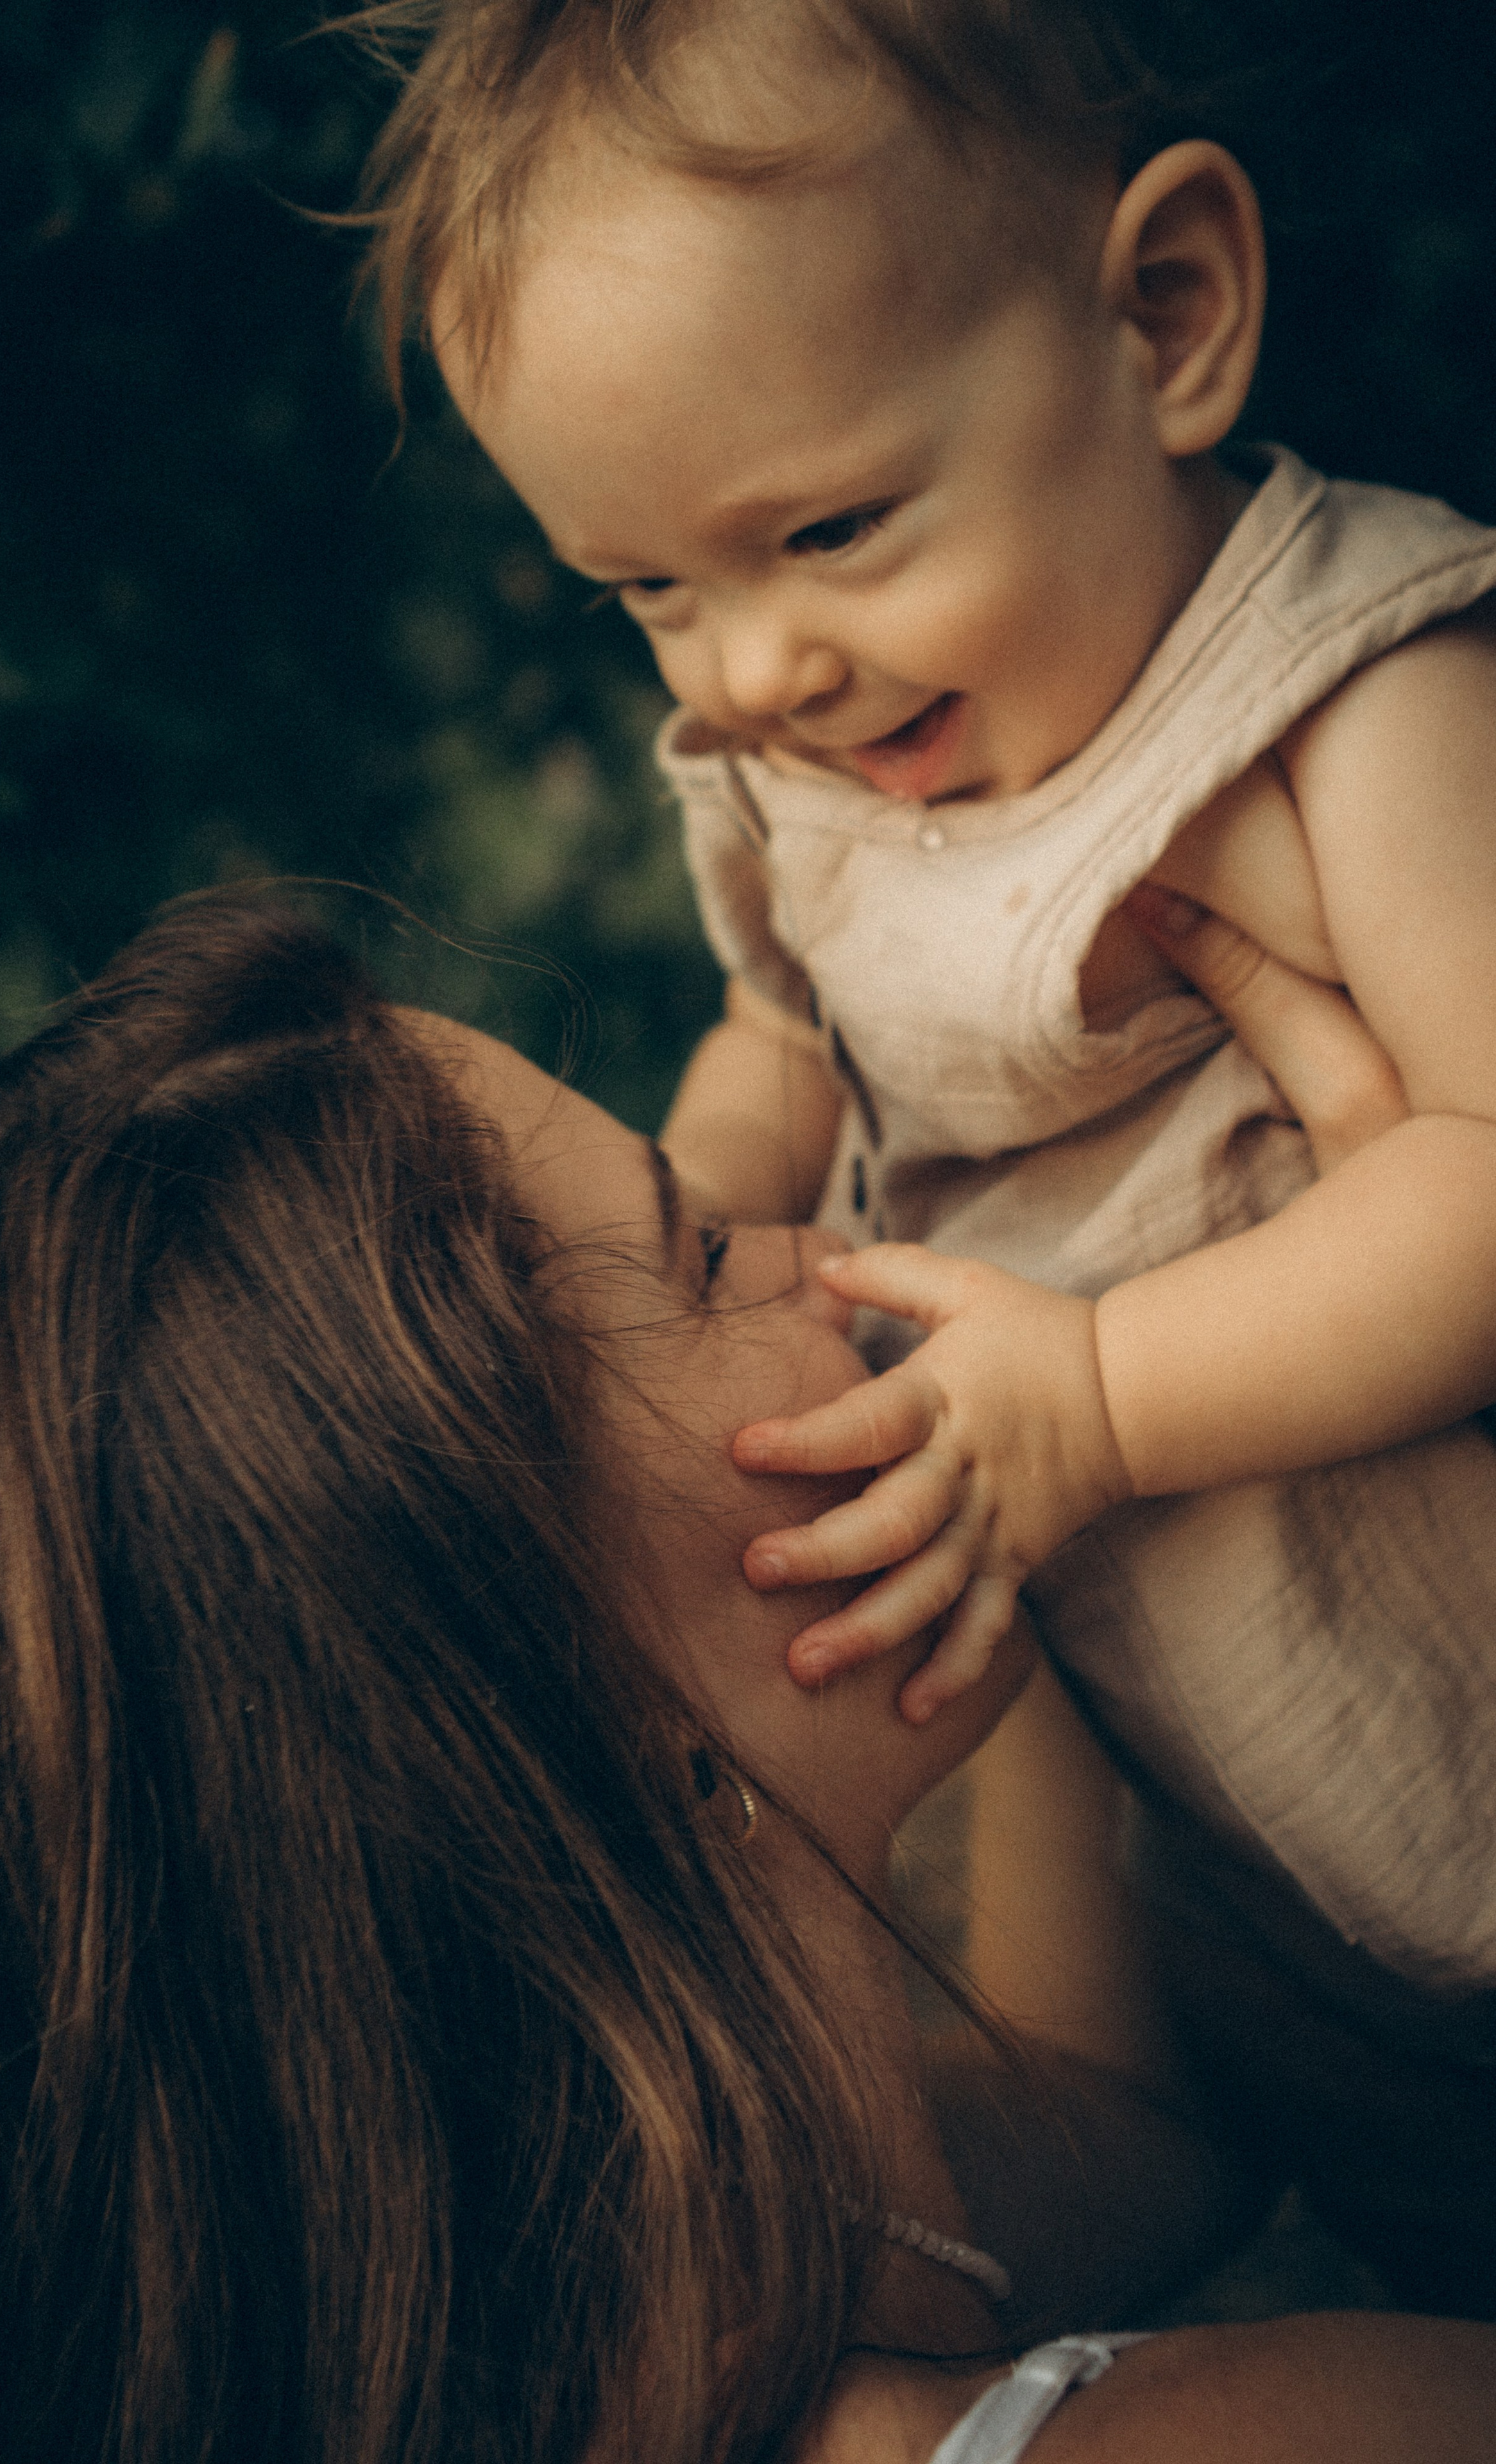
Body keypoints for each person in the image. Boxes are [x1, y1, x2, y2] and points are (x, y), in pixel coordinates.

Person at [0, 892, 1493, 2464]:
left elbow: (1131, 2123)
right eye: (706, 1251)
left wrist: (1103, 1457)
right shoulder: (1336, 2429)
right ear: (568, 1710)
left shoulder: (650, 2299)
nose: (832, 1244)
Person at [350, 0, 1496, 2082]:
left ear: (1166, 320)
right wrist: (674, 1230)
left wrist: (1107, 1400)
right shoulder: (811, 771)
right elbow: (785, 1042)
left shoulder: (1350, 711)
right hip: (1227, 1828)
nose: (755, 668)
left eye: (830, 532)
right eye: (647, 590)